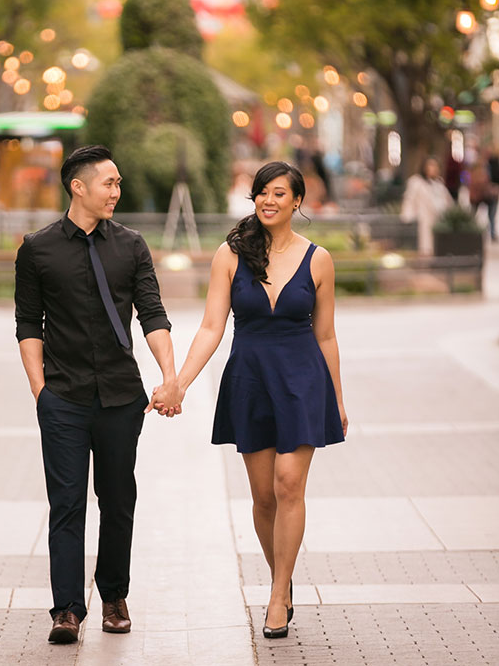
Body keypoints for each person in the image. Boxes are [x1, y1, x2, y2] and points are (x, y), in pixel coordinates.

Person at [162, 161, 346, 639]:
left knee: (289, 485)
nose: (268, 200)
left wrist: (337, 400)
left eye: (279, 194)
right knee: (263, 497)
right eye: (261, 192)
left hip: (303, 379)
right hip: (249, 378)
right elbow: (210, 327)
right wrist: (179, 382)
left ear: (297, 202)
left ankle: (278, 594)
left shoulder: (319, 259)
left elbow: (326, 336)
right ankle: (280, 581)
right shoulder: (230, 254)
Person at [13, 145, 180, 645]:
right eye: (109, 183)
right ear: (77, 187)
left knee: (117, 499)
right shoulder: (37, 249)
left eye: (118, 183)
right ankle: (66, 609)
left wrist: (170, 375)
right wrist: (41, 392)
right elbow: (28, 324)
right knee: (66, 504)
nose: (116, 191)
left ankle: (113, 596)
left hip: (120, 398)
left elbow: (153, 313)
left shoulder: (131, 246)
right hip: (62, 398)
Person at [400, 157, 452, 256]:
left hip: (437, 221)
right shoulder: (416, 182)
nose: (433, 168)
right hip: (423, 221)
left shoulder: (439, 184)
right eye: (430, 165)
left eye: (435, 166)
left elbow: (447, 202)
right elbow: (409, 200)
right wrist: (407, 217)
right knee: (424, 247)